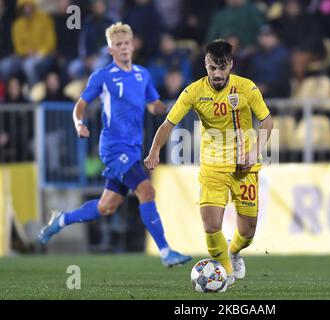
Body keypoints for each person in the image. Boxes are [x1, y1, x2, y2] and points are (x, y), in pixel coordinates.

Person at [38, 22, 191, 267]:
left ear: (133, 45)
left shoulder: (143, 74)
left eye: (126, 43)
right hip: (113, 147)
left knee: (106, 206)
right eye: (117, 44)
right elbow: (81, 105)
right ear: (110, 50)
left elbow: (154, 106)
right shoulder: (103, 76)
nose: (123, 48)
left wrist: (172, 107)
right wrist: (79, 123)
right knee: (146, 190)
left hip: (131, 148)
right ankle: (166, 252)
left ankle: (62, 220)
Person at [144, 39, 273, 291]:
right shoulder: (193, 92)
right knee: (211, 225)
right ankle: (225, 273)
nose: (217, 74)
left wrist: (255, 151)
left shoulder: (246, 88)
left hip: (244, 168)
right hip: (212, 166)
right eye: (212, 68)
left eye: (222, 68)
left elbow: (267, 122)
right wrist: (154, 150)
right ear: (206, 64)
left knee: (247, 233)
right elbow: (168, 124)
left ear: (230, 66)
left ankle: (234, 251)